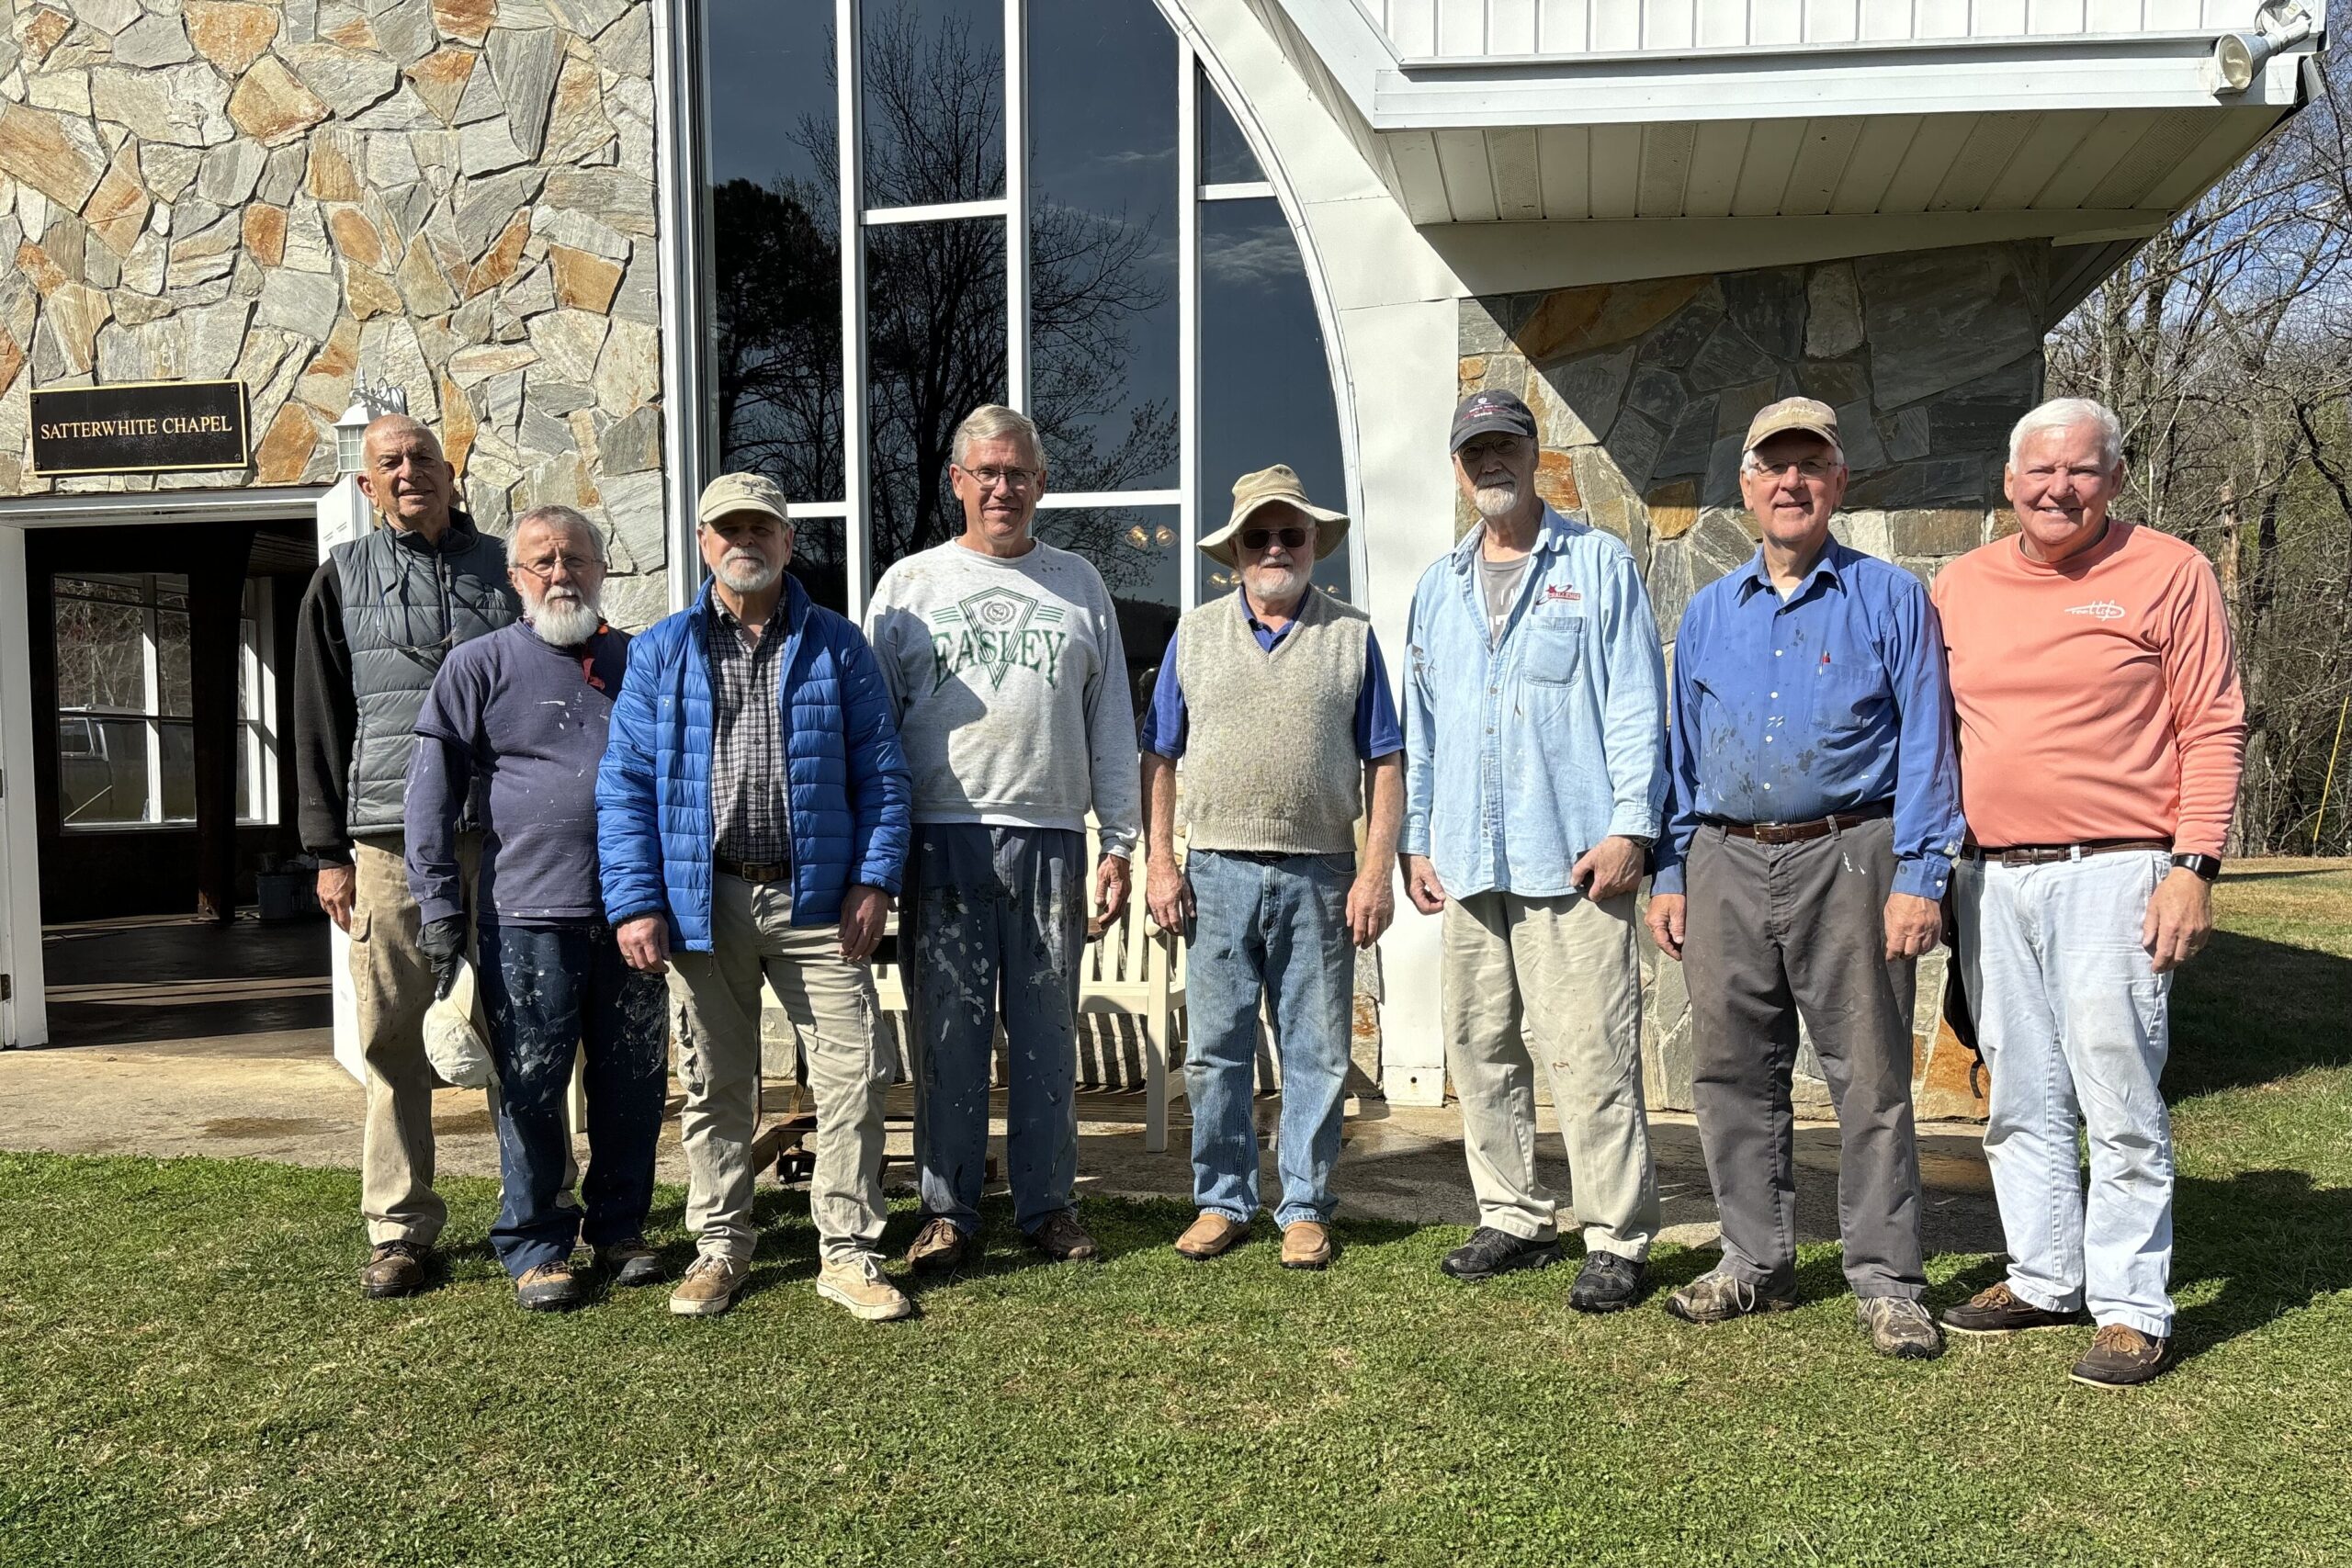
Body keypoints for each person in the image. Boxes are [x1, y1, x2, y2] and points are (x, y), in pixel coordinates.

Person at [1931, 397, 2245, 1389]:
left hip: (2116, 870)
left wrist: (2193, 867)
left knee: (2116, 1094)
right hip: (1990, 875)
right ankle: (2041, 1274)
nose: (2057, 488)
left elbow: (2215, 725)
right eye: (2039, 471)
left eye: (2079, 470)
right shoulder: (1961, 584)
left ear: (2112, 478)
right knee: (2018, 1093)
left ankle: (2129, 1307)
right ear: (2008, 482)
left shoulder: (2168, 572)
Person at [1645, 398, 1964, 1359]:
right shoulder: (1706, 613)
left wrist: (1920, 871)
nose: (1791, 483)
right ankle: (1752, 1259)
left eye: (1809, 466)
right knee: (1731, 1072)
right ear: (1746, 486)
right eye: (1771, 467)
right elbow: (1680, 752)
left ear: (1839, 481)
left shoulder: (1891, 598)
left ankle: (1886, 1279)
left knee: (1866, 1077)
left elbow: (1927, 746)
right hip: (1724, 856)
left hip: (1851, 853)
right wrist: (1670, 867)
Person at [596, 472, 915, 1321]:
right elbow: (624, 784)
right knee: (717, 1083)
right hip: (707, 901)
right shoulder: (661, 651)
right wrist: (635, 902)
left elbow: (883, 775)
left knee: (854, 1073)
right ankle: (720, 1248)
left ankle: (847, 1253)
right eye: (728, 527)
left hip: (818, 903)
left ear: (787, 541)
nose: (746, 541)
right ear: (704, 542)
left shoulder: (839, 646)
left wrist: (875, 878)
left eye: (762, 527)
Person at [1401, 389, 1668, 1313]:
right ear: (1457, 465)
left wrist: (1631, 826)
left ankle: (1617, 1234)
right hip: (1468, 862)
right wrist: (1415, 840)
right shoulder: (1437, 588)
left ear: (1533, 450)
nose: (1490, 465)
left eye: (1504, 446)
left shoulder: (1594, 567)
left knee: (1592, 1054)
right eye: (1474, 452)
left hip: (1572, 860)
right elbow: (1424, 729)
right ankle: (1512, 1212)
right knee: (1480, 1049)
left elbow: (1636, 703)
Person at [864, 404, 1142, 1271]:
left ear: (1041, 484)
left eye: (1018, 472)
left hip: (1053, 836)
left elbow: (1112, 725)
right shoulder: (909, 585)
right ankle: (947, 1211)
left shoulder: (1081, 584)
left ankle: (1047, 1205)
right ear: (957, 481)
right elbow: (872, 731)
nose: (1002, 487)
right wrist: (878, 851)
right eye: (985, 471)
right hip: (940, 841)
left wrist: (1120, 841)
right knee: (949, 1033)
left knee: (1046, 1030)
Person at [1139, 466, 1404, 1270]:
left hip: (1322, 872)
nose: (1277, 547)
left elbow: (1385, 763)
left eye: (1292, 534)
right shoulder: (1195, 632)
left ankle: (1305, 1206)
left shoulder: (1352, 636)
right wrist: (1160, 859)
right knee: (1216, 1048)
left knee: (1317, 1048)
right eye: (1260, 536)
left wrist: (1374, 870)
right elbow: (1160, 755)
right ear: (1237, 553)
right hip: (1214, 869)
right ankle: (1222, 1200)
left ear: (1314, 543)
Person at [402, 505, 664, 1312]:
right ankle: (537, 1241)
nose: (562, 574)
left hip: (633, 915)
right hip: (524, 913)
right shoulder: (477, 666)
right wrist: (440, 906)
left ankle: (620, 1227)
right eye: (543, 562)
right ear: (516, 578)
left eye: (577, 559)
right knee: (532, 1084)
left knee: (632, 1081)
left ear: (602, 569)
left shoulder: (640, 661)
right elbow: (429, 798)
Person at [293, 414, 519, 1299]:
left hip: (502, 837)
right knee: (392, 1037)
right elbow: (317, 720)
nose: (408, 471)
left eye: (422, 457)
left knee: (516, 1030)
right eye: (388, 462)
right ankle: (399, 1228)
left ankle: (533, 1214)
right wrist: (326, 851)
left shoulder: (510, 568)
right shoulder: (339, 580)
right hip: (385, 841)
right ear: (365, 485)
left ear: (451, 471)